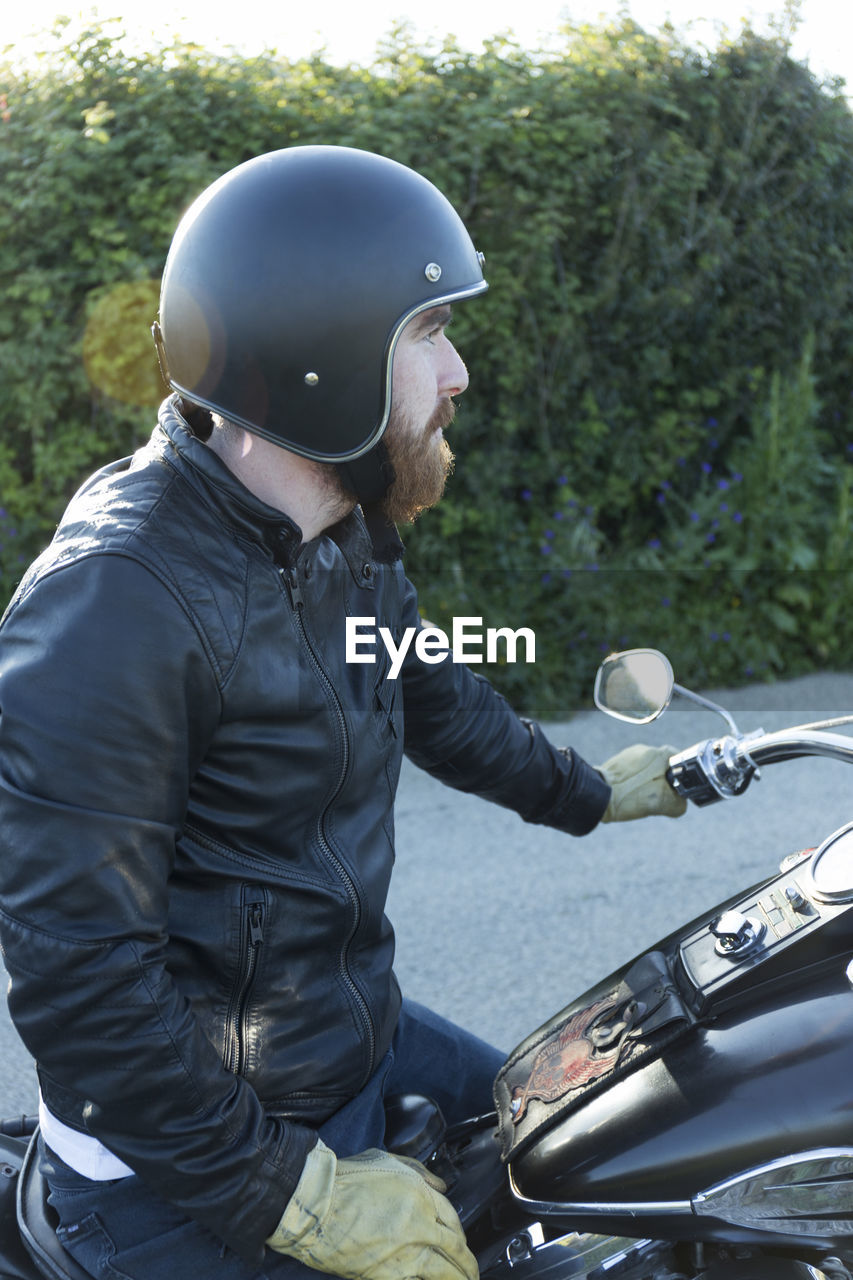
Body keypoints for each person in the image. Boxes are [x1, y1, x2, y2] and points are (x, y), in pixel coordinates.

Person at [0, 145, 685, 1280]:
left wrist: (591, 791)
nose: (458, 371)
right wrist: (296, 1197)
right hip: (179, 1157)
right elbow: (82, 980)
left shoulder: (348, 534)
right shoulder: (115, 604)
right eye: (425, 334)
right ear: (321, 358)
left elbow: (440, 700)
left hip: (343, 1043)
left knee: (625, 1155)